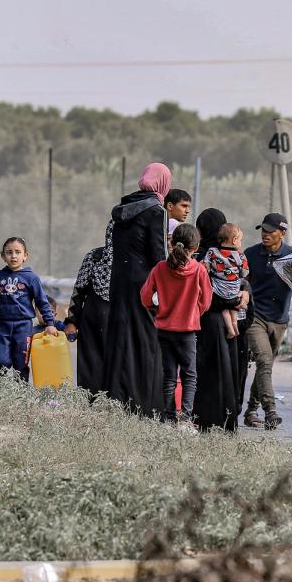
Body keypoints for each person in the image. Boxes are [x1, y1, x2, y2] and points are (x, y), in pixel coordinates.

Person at [104, 163, 170, 417]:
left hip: (119, 281)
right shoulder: (156, 210)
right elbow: (159, 255)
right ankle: (143, 403)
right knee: (145, 341)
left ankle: (116, 399)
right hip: (144, 284)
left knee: (121, 339)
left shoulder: (123, 209)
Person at [140, 223, 212, 424]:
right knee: (189, 376)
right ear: (196, 247)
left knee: (169, 375)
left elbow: (145, 297)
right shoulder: (199, 270)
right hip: (187, 331)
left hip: (164, 329)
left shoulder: (160, 268)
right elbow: (206, 301)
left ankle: (169, 417)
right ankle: (186, 419)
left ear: (171, 243)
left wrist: (158, 310)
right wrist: (194, 312)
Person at [191, 208, 249, 431]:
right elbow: (243, 281)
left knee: (204, 374)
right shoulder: (233, 254)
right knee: (226, 373)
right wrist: (238, 299)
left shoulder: (200, 256)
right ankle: (225, 420)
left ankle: (203, 420)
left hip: (204, 323)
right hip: (227, 324)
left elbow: (201, 292)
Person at [242, 213, 292, 430]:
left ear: (282, 233)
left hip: (280, 320)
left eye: (270, 231)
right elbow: (242, 281)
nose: (265, 234)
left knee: (266, 366)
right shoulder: (251, 254)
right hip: (255, 317)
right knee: (263, 360)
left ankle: (251, 410)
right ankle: (271, 411)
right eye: (263, 230)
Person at [0, 237, 58, 380]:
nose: (13, 256)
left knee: (20, 363)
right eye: (9, 252)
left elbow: (41, 302)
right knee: (1, 361)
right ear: (3, 256)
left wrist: (50, 324)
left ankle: (21, 394)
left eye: (18, 252)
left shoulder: (31, 278)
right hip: (3, 325)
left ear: (25, 256)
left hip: (23, 326)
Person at [64, 222, 112, 394]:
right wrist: (71, 322)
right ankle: (89, 403)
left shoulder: (134, 260)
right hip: (92, 321)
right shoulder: (95, 256)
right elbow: (79, 291)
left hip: (121, 321)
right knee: (91, 364)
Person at [204, 223, 248, 340]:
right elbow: (244, 273)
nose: (240, 243)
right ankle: (235, 326)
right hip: (234, 292)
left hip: (219, 293)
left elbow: (205, 265)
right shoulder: (240, 256)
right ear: (234, 240)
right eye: (240, 240)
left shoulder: (213, 251)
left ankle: (230, 329)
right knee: (232, 307)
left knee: (223, 308)